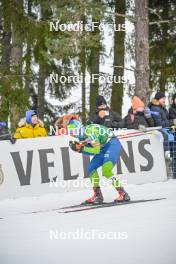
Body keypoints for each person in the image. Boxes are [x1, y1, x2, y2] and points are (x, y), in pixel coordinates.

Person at [58, 114, 130, 204]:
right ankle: (98, 195)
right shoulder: (81, 136)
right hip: (103, 147)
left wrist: (82, 148)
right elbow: (92, 151)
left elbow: (96, 150)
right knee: (91, 168)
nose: (72, 135)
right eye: (71, 132)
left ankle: (123, 193)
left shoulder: (90, 132)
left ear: (78, 128)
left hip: (112, 144)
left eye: (73, 132)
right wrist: (80, 150)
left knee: (106, 170)